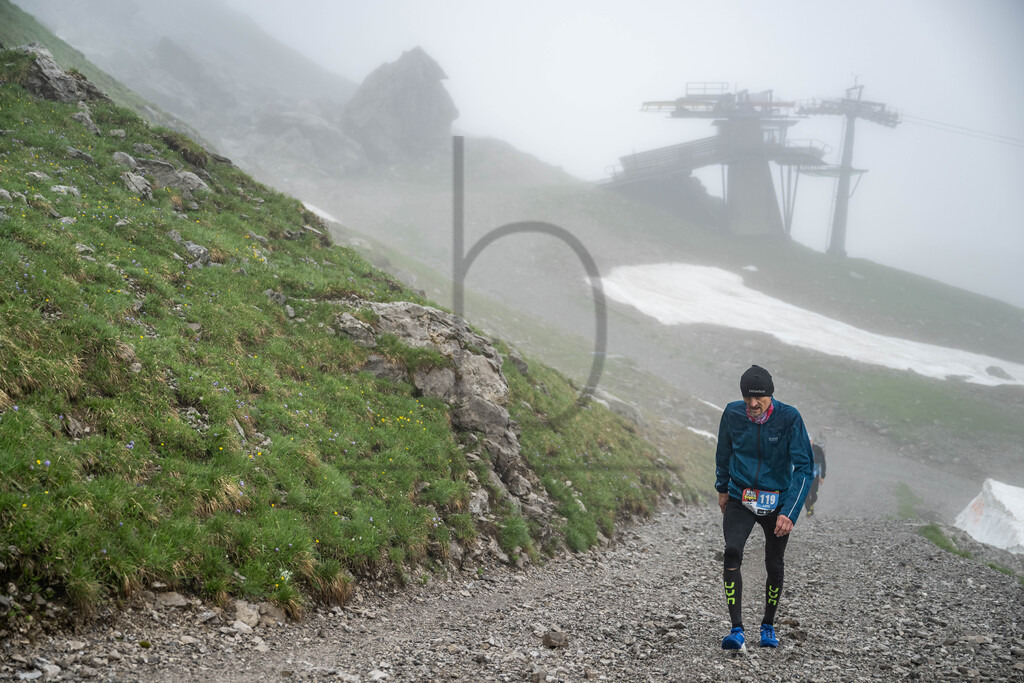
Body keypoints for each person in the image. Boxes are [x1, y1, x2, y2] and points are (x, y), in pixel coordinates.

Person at [714, 365, 814, 650]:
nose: (753, 403)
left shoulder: (789, 418)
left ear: (771, 394)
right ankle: (736, 630)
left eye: (759, 398)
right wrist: (722, 488)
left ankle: (767, 626)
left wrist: (790, 512)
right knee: (732, 551)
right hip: (740, 495)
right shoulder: (732, 413)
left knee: (774, 562)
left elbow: (805, 468)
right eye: (747, 397)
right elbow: (723, 452)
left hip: (777, 500)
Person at [804, 436, 827, 517]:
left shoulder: (818, 449)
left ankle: (811, 505)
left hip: (815, 476)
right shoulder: (801, 449)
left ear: (812, 440)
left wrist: (822, 476)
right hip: (805, 476)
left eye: (809, 440)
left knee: (814, 495)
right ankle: (809, 511)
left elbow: (823, 463)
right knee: (806, 495)